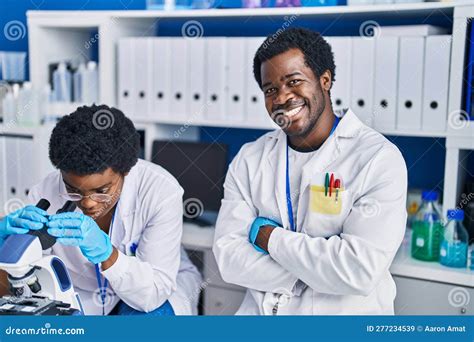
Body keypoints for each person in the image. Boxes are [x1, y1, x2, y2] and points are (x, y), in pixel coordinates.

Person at [213, 28, 408, 315]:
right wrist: (319, 272)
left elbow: (359, 270)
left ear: (325, 80)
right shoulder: (249, 159)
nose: (282, 98)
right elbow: (229, 259)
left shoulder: (378, 159)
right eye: (270, 90)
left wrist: (268, 237)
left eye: (294, 81)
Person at [0, 104, 202, 315]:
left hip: (151, 289)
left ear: (125, 171)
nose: (88, 203)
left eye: (101, 190)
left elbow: (151, 293)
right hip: (84, 293)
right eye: (73, 190)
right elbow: (33, 276)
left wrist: (107, 254)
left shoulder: (160, 191)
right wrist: (8, 241)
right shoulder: (45, 193)